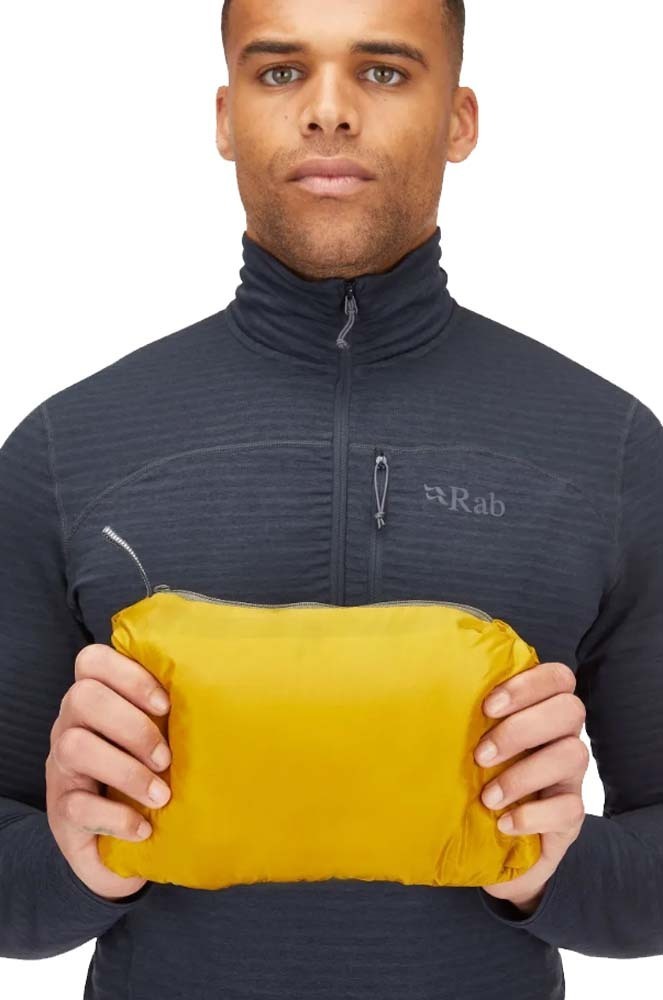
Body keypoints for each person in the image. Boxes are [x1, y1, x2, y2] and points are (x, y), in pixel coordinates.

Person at [1, 1, 662, 998]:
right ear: (225, 117)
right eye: (279, 72)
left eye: (383, 71)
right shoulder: (65, 448)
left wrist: (554, 869)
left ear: (460, 119)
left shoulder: (608, 448)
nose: (327, 110)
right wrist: (71, 860)